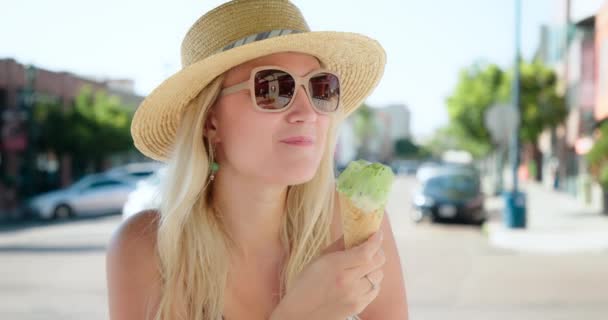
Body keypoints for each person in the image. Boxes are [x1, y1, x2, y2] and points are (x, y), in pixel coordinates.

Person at [106, 1, 408, 319]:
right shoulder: (149, 250)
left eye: (321, 88)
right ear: (211, 121)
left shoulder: (347, 226)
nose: (308, 113)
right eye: (273, 88)